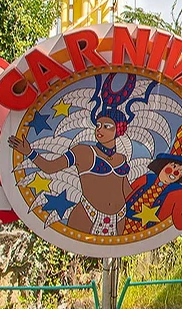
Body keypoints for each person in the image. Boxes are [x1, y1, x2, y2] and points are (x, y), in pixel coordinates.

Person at [10, 73, 155, 236]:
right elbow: (50, 168)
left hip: (119, 218)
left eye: (107, 126)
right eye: (99, 125)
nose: (100, 129)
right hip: (87, 215)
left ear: (118, 131)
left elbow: (126, 191)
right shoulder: (83, 151)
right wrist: (29, 152)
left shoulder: (121, 159)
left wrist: (154, 188)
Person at [123, 123, 182, 233]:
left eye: (181, 171)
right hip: (121, 226)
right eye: (174, 166)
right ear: (164, 164)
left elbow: (180, 223)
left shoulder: (179, 193)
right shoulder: (146, 179)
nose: (176, 172)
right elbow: (124, 196)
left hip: (147, 234)